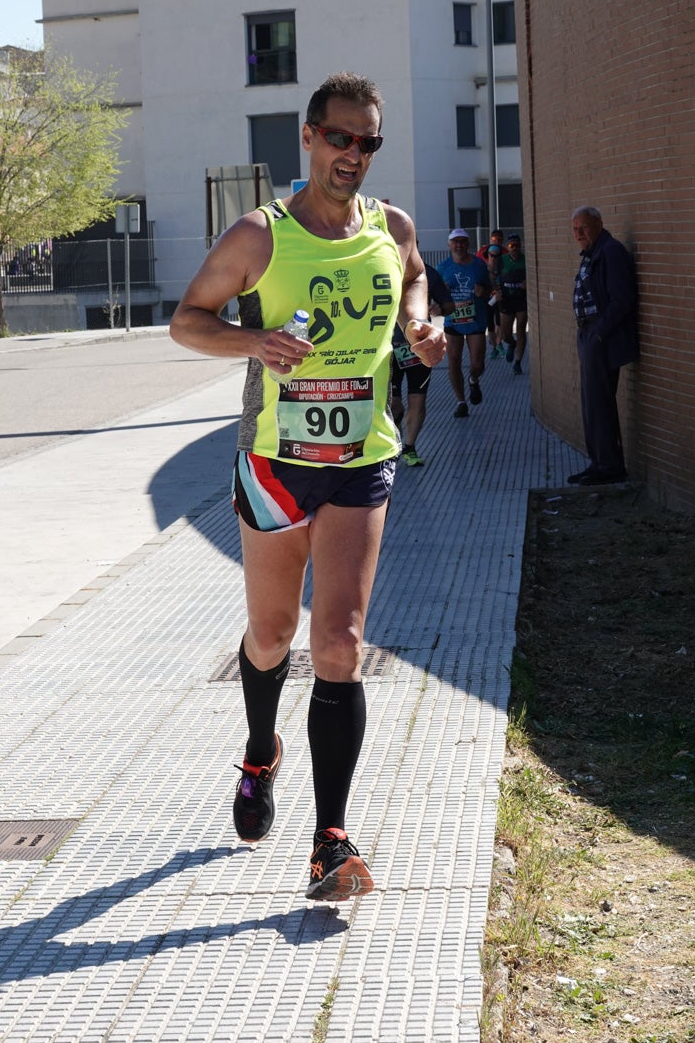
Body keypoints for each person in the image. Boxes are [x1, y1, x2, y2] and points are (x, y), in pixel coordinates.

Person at [170, 72, 445, 902]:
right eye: (340, 138)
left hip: (361, 457)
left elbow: (412, 276)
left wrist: (419, 328)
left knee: (339, 645)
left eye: (368, 143)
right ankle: (261, 750)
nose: (352, 155)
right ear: (308, 137)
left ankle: (330, 841)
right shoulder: (259, 236)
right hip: (274, 465)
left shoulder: (388, 225)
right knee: (269, 636)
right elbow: (188, 319)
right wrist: (252, 343)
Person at [567, 206, 638, 485]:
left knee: (600, 403)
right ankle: (598, 462)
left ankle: (609, 466)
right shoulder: (593, 253)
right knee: (590, 403)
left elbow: (623, 299)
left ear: (598, 223)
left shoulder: (611, 251)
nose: (578, 234)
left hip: (601, 337)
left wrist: (598, 334)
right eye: (575, 229)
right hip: (589, 334)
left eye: (583, 227)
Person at [390, 261, 454, 465]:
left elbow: (449, 306)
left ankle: (409, 447)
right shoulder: (378, 265)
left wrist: (438, 309)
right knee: (395, 404)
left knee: (418, 399)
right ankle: (395, 434)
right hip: (388, 349)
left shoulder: (428, 274)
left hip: (418, 346)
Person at [436, 228, 490, 417]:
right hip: (453, 320)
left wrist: (482, 291)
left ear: (468, 244)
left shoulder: (479, 265)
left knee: (477, 363)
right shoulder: (443, 267)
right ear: (449, 245)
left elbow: (488, 289)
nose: (459, 245)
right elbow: (436, 295)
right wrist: (441, 295)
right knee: (453, 361)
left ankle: (473, 379)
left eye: (462, 241)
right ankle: (461, 401)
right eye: (455, 242)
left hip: (476, 319)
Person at [500, 234, 528, 375]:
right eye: (511, 246)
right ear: (507, 247)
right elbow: (492, 276)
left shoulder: (526, 260)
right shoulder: (502, 260)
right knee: (505, 333)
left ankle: (518, 363)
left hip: (522, 299)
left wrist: (527, 283)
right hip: (506, 299)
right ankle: (511, 343)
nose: (515, 248)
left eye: (517, 245)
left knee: (521, 329)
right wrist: (496, 290)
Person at [485, 243, 504, 358]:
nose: (494, 258)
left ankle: (499, 343)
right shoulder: (484, 269)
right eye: (492, 255)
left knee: (500, 323)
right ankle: (494, 347)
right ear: (488, 256)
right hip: (488, 300)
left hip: (500, 299)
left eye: (496, 256)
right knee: (490, 326)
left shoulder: (502, 269)